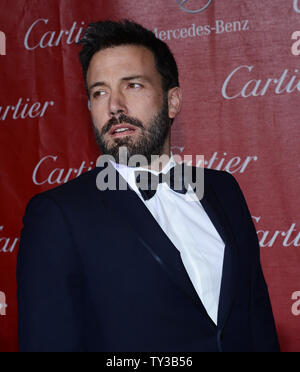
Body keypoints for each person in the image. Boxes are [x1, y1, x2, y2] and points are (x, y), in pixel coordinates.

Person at [17, 19, 280, 352]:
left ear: (172, 102)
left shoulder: (223, 189)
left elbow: (257, 322)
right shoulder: (59, 215)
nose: (114, 106)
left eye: (133, 85)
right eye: (99, 92)